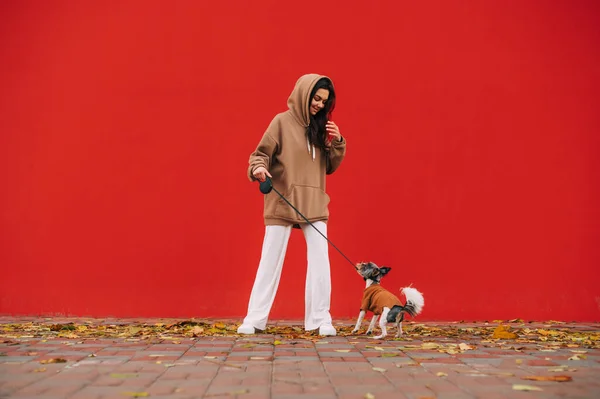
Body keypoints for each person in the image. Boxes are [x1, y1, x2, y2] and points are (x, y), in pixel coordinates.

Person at [237, 73, 347, 336]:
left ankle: (320, 319)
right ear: (303, 93)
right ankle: (254, 319)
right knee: (270, 260)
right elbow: (259, 154)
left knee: (321, 260)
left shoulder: (321, 127)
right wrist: (260, 169)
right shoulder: (281, 122)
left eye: (325, 101)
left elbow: (329, 168)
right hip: (282, 198)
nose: (320, 105)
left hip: (314, 200)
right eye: (316, 98)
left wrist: (338, 143)